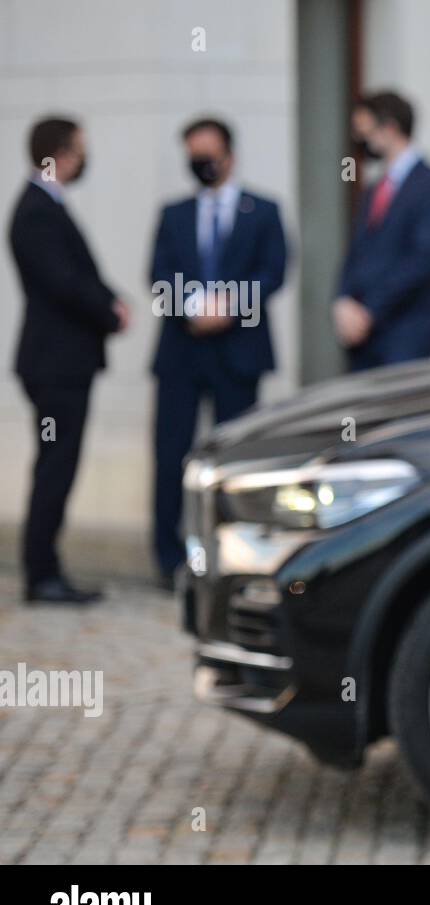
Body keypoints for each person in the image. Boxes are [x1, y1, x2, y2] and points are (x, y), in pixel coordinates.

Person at [149, 117, 288, 582]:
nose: (201, 164)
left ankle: (237, 555)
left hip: (239, 351)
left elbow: (274, 272)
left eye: (207, 154)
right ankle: (169, 559)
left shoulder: (263, 210)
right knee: (171, 455)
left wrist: (229, 306)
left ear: (229, 154)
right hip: (182, 352)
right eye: (193, 156)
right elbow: (159, 274)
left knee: (237, 458)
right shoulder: (174, 214)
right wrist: (193, 308)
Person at [9, 117, 129, 604]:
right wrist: (109, 310)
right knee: (55, 466)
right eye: (80, 149)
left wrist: (109, 301)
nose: (84, 158)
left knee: (58, 465)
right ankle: (41, 574)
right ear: (61, 153)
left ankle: (46, 568)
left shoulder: (48, 205)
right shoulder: (37, 209)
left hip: (64, 362)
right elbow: (63, 283)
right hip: (55, 364)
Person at [334, 90, 430, 371]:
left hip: (406, 336)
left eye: (366, 132)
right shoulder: (374, 190)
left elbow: (420, 260)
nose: (362, 142)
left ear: (389, 128)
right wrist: (342, 301)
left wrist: (369, 311)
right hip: (364, 341)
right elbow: (357, 253)